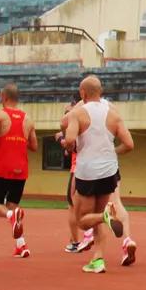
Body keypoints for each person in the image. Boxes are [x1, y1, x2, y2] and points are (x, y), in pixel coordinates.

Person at [61, 74, 135, 274]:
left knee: (83, 220)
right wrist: (113, 152)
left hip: (87, 172)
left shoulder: (79, 113)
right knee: (99, 214)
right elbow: (129, 144)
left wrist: (67, 144)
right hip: (109, 172)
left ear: (82, 93)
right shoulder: (113, 113)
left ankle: (104, 219)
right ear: (100, 92)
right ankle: (98, 259)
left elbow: (69, 139)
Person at [0, 83, 37, 258]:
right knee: (14, 206)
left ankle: (9, 216)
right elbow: (34, 146)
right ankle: (21, 245)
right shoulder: (28, 119)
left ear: (4, 97)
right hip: (21, 169)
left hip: (3, 167)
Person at [59, 95, 95, 254]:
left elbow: (70, 143)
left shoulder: (76, 116)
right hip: (99, 167)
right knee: (95, 204)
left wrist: (61, 137)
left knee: (73, 206)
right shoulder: (96, 116)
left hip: (79, 167)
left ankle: (76, 240)